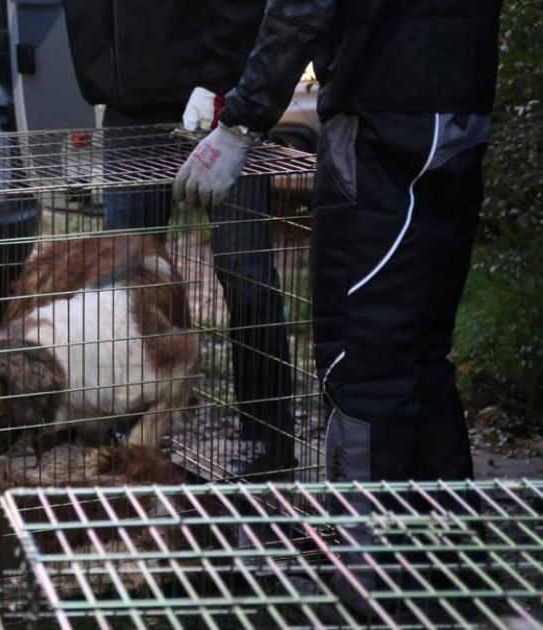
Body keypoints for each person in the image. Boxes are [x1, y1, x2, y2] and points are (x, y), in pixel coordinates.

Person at [0, 1, 297, 477]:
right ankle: (133, 449)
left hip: (224, 109)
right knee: (117, 290)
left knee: (246, 272)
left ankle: (268, 443)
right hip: (129, 109)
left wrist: (220, 84)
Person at [173, 0, 503, 615]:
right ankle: (452, 578)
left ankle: (368, 590)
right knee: (421, 353)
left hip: (383, 119)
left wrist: (240, 122)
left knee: (361, 360)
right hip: (458, 110)